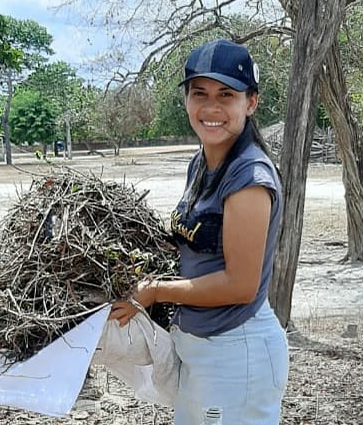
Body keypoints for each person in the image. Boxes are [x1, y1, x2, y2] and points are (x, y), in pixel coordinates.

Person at [110, 39, 289, 425]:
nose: (211, 108)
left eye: (227, 94)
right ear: (187, 100)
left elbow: (240, 285)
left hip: (236, 352)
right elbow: (190, 244)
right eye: (199, 93)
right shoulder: (201, 165)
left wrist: (156, 290)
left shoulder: (249, 178)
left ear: (251, 102)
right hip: (202, 350)